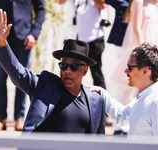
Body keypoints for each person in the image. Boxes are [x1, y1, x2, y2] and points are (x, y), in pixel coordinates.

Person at [0, 9, 106, 133]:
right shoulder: (44, 85)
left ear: (85, 70)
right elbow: (17, 72)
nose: (67, 70)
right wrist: (2, 43)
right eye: (63, 65)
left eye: (74, 67)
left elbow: (99, 141)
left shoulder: (96, 101)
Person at [0, 0, 45, 131]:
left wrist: (34, 34)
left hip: (24, 38)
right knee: (0, 78)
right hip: (1, 37)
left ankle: (20, 118)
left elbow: (40, 8)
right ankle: (0, 119)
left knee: (22, 78)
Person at [100, 43, 158, 136]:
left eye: (129, 67)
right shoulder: (141, 98)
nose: (125, 71)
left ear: (145, 71)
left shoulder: (155, 102)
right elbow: (121, 117)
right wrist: (101, 93)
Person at [94, 0, 130, 135]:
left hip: (147, 34)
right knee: (126, 82)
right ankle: (120, 127)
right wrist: (132, 6)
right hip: (126, 38)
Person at [58, 0, 106, 89]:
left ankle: (102, 100)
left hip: (93, 37)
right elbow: (60, 1)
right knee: (68, 70)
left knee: (96, 73)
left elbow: (103, 5)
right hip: (74, 37)